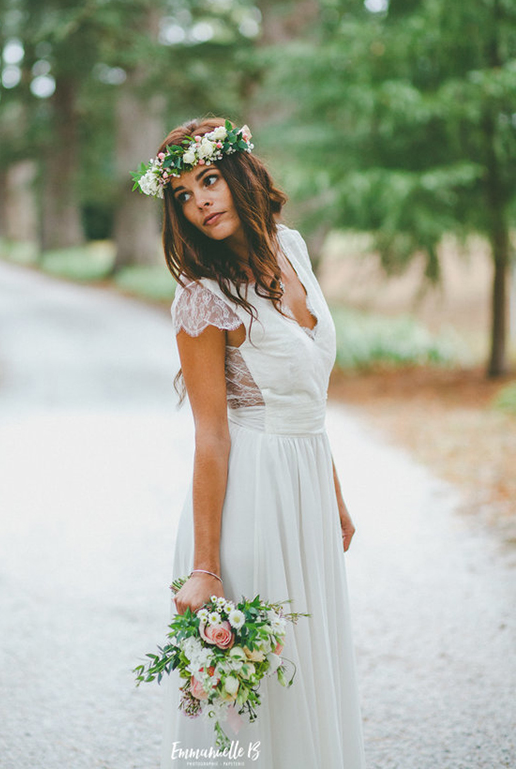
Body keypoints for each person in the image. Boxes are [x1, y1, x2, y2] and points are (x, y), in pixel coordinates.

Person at [133, 118, 366, 768]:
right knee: (259, 700)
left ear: (240, 174)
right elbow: (211, 435)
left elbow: (305, 398)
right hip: (252, 503)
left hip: (304, 489)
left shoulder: (291, 248)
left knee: (309, 672)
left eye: (208, 180)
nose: (200, 201)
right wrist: (204, 568)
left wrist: (333, 496)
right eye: (182, 194)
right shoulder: (202, 298)